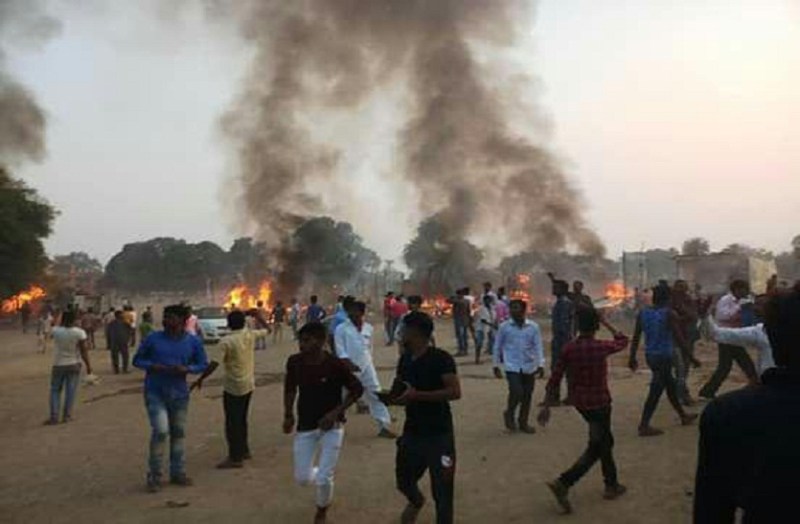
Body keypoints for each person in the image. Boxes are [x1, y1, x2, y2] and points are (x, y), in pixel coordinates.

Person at [694, 285, 800, 522]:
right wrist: (705, 316)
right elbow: (718, 334)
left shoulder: (729, 414)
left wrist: (704, 315)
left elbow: (712, 508)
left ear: (771, 335)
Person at [539, 308, 629, 514]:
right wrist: (606, 322)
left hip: (581, 403)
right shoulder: (600, 347)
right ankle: (565, 482)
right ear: (595, 326)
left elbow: (555, 378)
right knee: (600, 445)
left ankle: (611, 484)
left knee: (602, 442)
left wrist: (546, 406)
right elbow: (623, 340)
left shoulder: (570, 349)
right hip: (600, 402)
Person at [283, 322, 364, 524]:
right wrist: (288, 415)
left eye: (307, 340)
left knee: (324, 478)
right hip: (306, 425)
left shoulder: (335, 365)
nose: (302, 345)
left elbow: (357, 389)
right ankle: (322, 474)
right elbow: (290, 388)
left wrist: (335, 413)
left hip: (332, 427)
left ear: (320, 341)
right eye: (301, 340)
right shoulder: (295, 362)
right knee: (302, 478)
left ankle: (322, 509)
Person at [388, 311, 461, 524]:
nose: (401, 333)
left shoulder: (441, 359)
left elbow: (454, 392)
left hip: (440, 434)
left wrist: (417, 395)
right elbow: (401, 390)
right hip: (413, 431)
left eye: (404, 329)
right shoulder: (405, 359)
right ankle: (416, 501)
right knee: (404, 480)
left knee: (443, 489)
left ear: (415, 332)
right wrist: (391, 398)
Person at [132, 304, 209, 492]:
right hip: (155, 392)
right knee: (160, 431)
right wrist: (152, 366)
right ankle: (155, 475)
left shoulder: (193, 342)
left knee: (178, 433)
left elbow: (202, 364)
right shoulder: (153, 339)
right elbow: (137, 360)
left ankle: (178, 472)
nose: (166, 320)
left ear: (183, 321)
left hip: (180, 394)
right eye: (165, 317)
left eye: (171, 317)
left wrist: (187, 369)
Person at [191, 310, 269, 469]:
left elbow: (214, 364)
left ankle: (235, 457)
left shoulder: (226, 341)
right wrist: (258, 316)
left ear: (228, 323)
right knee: (242, 419)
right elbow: (268, 329)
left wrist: (200, 379)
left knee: (232, 422)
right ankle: (244, 450)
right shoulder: (249, 335)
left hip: (233, 387)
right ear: (244, 323)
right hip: (248, 385)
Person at [629, 285, 697, 437]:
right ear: (668, 298)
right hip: (664, 356)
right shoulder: (669, 313)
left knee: (670, 385)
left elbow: (636, 337)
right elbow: (679, 338)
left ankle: (683, 415)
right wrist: (692, 358)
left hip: (651, 355)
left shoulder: (643, 313)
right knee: (656, 390)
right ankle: (644, 425)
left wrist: (632, 357)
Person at [334, 300, 396, 438]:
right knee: (341, 397)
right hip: (348, 368)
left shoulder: (368, 328)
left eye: (355, 311)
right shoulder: (341, 329)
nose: (351, 313)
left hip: (367, 366)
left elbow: (369, 348)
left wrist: (368, 363)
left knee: (375, 393)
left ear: (362, 313)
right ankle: (333, 423)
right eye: (350, 311)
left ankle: (383, 425)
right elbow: (340, 350)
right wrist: (348, 364)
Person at [698, 280, 760, 400]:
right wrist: (739, 307)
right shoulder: (725, 300)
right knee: (738, 364)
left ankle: (708, 391)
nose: (746, 292)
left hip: (736, 336)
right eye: (744, 289)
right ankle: (755, 383)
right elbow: (722, 316)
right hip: (725, 336)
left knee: (729, 365)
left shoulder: (745, 300)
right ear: (737, 289)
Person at [493, 300, 545, 434]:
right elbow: (497, 346)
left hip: (529, 365)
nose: (512, 311)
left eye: (516, 308)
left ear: (523, 310)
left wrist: (541, 364)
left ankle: (523, 422)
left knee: (527, 395)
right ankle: (509, 413)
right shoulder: (504, 327)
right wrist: (496, 365)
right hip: (512, 366)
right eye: (511, 308)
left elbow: (538, 346)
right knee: (516, 391)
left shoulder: (533, 327)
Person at [45, 310, 93, 425]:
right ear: (74, 320)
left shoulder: (56, 331)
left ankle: (54, 416)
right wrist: (88, 366)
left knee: (55, 390)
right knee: (70, 391)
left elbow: (51, 331)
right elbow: (84, 351)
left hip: (58, 364)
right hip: (74, 363)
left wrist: (59, 320)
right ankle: (67, 416)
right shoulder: (80, 333)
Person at [671, 280, 701, 406]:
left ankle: (679, 392)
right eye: (679, 288)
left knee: (684, 367)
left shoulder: (688, 300)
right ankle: (683, 394)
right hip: (677, 338)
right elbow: (674, 319)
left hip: (689, 336)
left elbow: (696, 314)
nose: (682, 290)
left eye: (684, 288)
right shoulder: (671, 302)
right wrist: (687, 316)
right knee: (681, 368)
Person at [550, 279, 574, 404]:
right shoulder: (562, 302)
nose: (553, 289)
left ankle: (555, 397)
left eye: (556, 287)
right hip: (562, 340)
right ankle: (569, 396)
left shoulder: (563, 304)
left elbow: (563, 325)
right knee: (566, 370)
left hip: (562, 341)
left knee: (557, 369)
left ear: (563, 290)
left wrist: (563, 343)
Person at [473, 295, 497, 364]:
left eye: (489, 300)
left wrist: (494, 324)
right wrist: (492, 325)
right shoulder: (481, 309)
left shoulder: (492, 308)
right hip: (481, 328)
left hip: (489, 328)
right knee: (479, 344)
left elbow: (494, 317)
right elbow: (483, 320)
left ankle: (495, 357)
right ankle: (477, 359)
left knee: (494, 342)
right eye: (486, 300)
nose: (488, 301)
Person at [449, 289, 471, 357]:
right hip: (465, 319)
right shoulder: (467, 301)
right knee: (464, 335)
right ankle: (465, 349)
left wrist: (453, 297)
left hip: (459, 320)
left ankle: (461, 350)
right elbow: (468, 311)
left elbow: (449, 301)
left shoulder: (458, 301)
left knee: (460, 336)